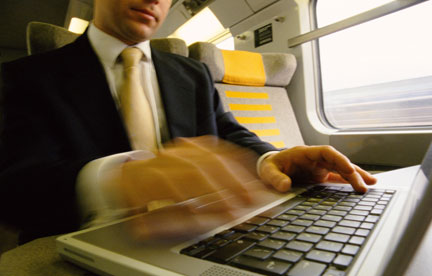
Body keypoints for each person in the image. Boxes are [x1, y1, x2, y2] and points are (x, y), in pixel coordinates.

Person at [0, 0, 376, 242]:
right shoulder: (25, 77)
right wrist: (121, 180)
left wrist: (272, 158)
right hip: (82, 241)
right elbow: (15, 188)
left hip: (203, 236)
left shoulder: (192, 74)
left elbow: (229, 133)